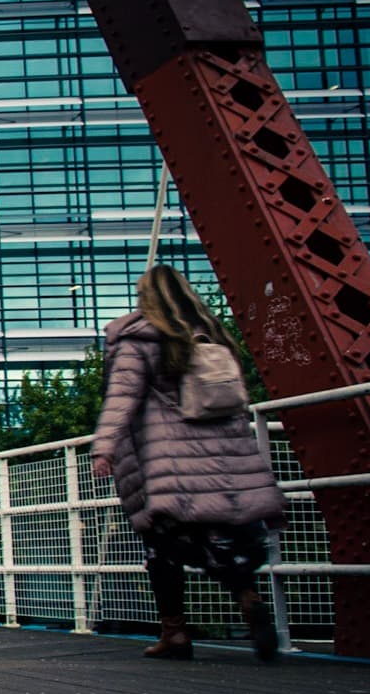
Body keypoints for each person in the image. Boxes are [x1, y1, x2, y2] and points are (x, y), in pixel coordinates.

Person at [91, 265, 285, 662]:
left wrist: (105, 446)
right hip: (225, 457)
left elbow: (122, 397)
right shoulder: (212, 335)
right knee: (223, 535)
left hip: (168, 459)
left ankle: (174, 633)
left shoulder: (137, 338)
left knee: (162, 544)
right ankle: (247, 595)